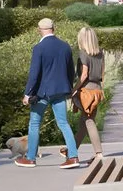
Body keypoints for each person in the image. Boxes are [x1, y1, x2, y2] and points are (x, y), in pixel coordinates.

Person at [19, 17, 83, 168]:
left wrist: (27, 94)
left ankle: (30, 158)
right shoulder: (65, 46)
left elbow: (34, 74)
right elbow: (70, 71)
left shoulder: (39, 48)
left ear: (39, 30)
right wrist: (68, 88)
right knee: (63, 123)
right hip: (60, 91)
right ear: (54, 28)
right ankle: (73, 157)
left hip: (42, 93)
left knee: (34, 124)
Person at [72, 23, 107, 161]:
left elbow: (84, 74)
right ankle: (71, 150)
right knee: (84, 121)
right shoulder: (100, 53)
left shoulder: (83, 53)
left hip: (86, 90)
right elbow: (103, 73)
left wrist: (74, 90)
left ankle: (98, 153)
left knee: (89, 121)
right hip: (97, 89)